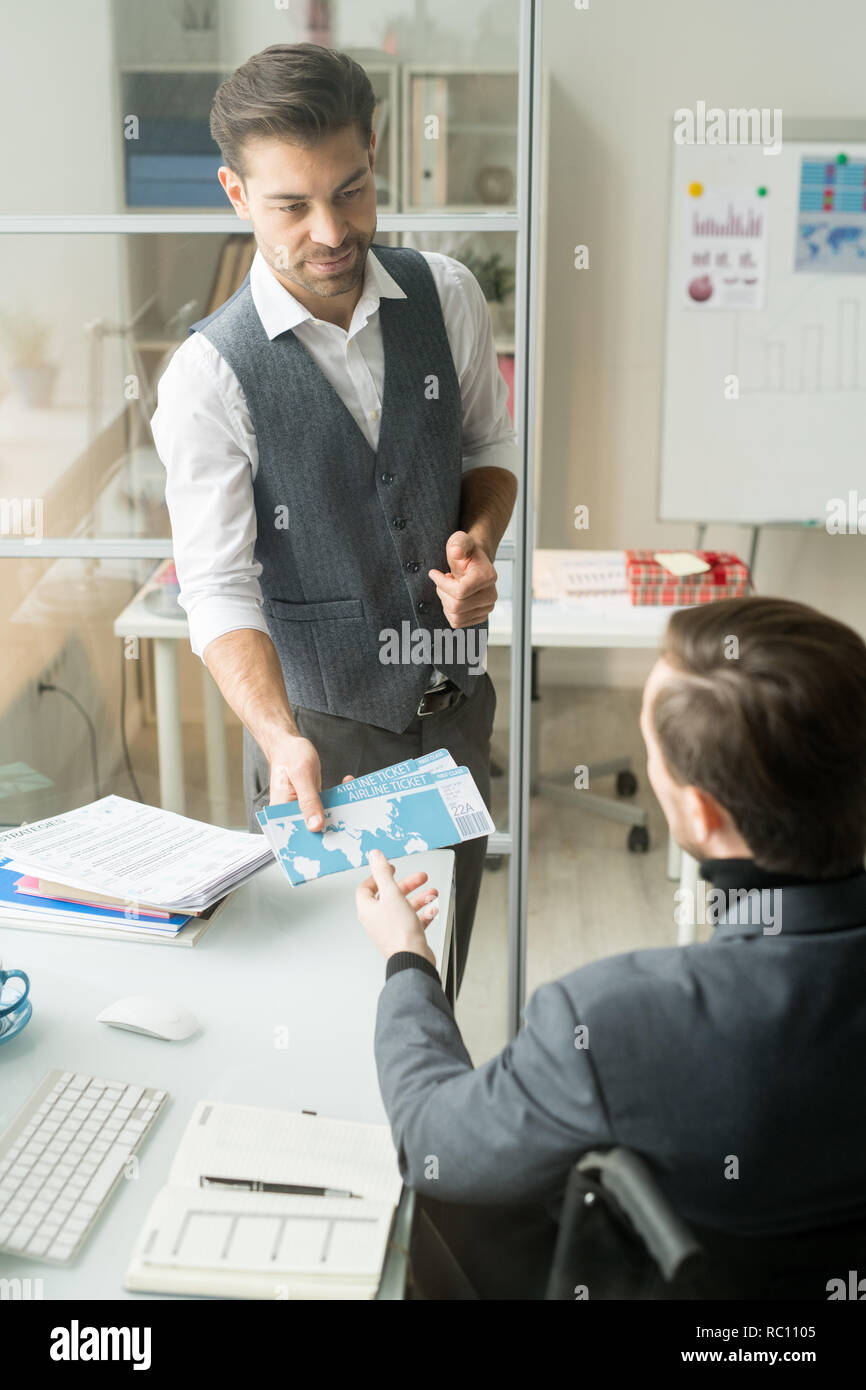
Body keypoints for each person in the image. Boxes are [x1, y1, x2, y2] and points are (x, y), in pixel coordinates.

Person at [356, 595, 866, 1298]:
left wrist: (408, 959)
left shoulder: (614, 1020)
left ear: (699, 812)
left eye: (653, 751)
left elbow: (432, 1146)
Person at [152, 43, 518, 991]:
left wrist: (478, 544)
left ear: (373, 156)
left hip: (455, 723)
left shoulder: (448, 295)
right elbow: (220, 587)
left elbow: (488, 455)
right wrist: (279, 740)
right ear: (236, 192)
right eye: (291, 204)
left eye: (351, 190)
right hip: (325, 747)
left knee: (439, 986)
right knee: (328, 1012)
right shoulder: (209, 377)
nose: (330, 229)